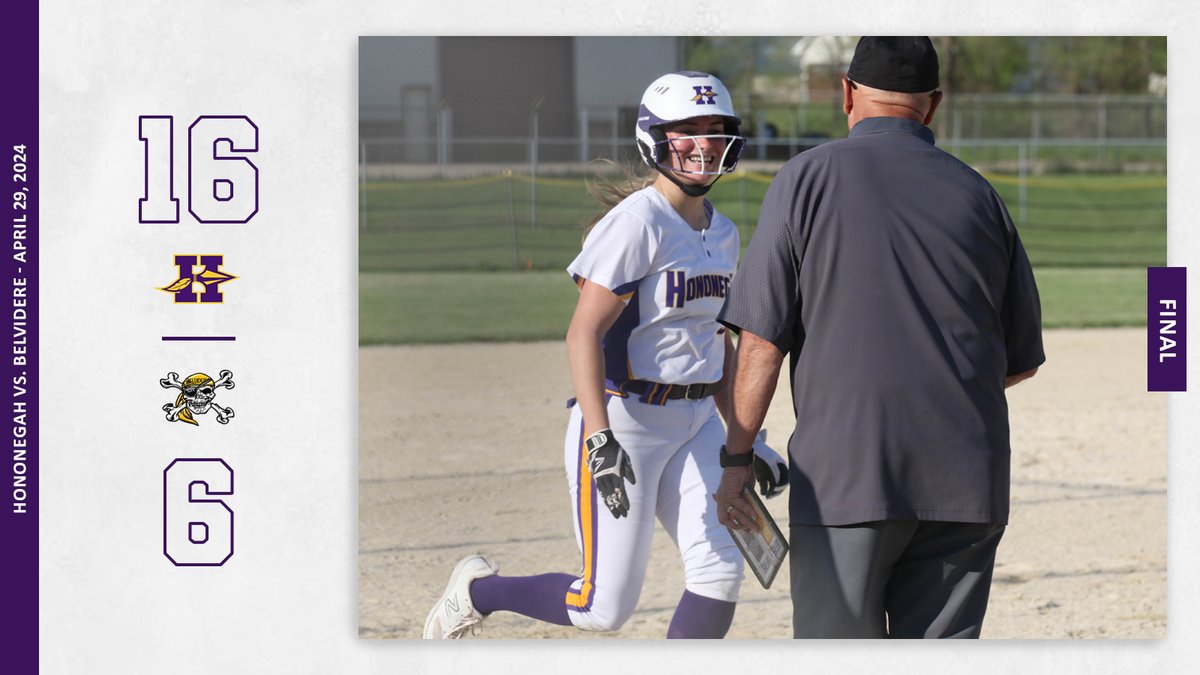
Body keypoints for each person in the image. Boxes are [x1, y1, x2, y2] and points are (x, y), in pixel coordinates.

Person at [422, 71, 788, 640]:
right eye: (685, 130)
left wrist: (747, 438)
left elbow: (716, 342)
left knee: (720, 571)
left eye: (715, 130)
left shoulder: (725, 232)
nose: (702, 143)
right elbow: (582, 334)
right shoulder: (637, 223)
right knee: (602, 607)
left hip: (695, 426)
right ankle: (477, 591)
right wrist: (599, 437)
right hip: (627, 422)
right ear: (654, 139)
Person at [714, 37, 1045, 639]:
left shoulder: (804, 179)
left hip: (847, 478)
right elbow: (1019, 360)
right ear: (934, 104)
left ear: (846, 92)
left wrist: (737, 459)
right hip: (966, 482)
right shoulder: (981, 194)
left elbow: (760, 342)